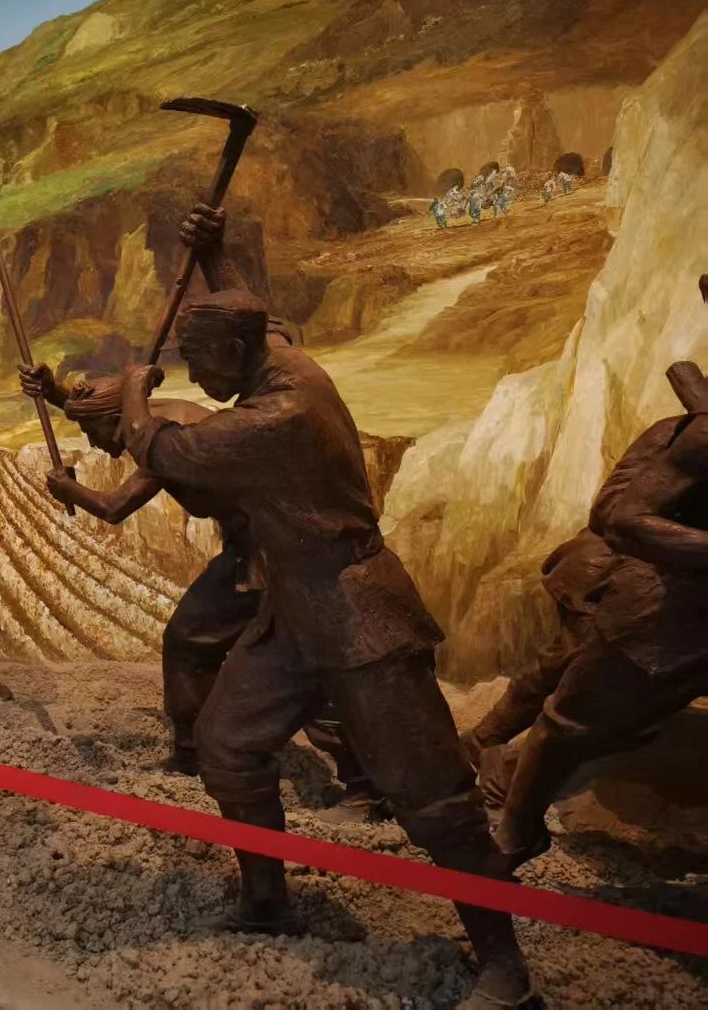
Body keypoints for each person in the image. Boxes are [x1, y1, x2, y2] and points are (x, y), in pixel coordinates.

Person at [113, 207, 534, 1008]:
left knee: (433, 798)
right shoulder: (280, 362)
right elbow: (255, 318)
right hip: (294, 614)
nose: (195, 379)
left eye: (201, 362)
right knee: (228, 745)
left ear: (236, 352)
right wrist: (216, 256)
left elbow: (168, 449)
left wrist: (136, 397)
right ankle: (267, 899)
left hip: (358, 616)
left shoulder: (282, 414)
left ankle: (504, 965)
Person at [19, 367, 385, 816]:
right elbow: (107, 420)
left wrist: (68, 488)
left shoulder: (166, 435)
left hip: (278, 554)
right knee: (189, 638)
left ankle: (367, 786)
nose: (92, 443)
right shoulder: (140, 415)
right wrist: (55, 394)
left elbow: (115, 507)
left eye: (90, 430)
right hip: (250, 549)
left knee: (301, 663)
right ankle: (194, 752)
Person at [478, 359, 707, 868]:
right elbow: (619, 519)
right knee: (568, 711)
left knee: (589, 702)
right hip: (649, 600)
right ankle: (509, 810)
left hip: (661, 600)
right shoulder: (689, 437)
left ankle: (503, 761)